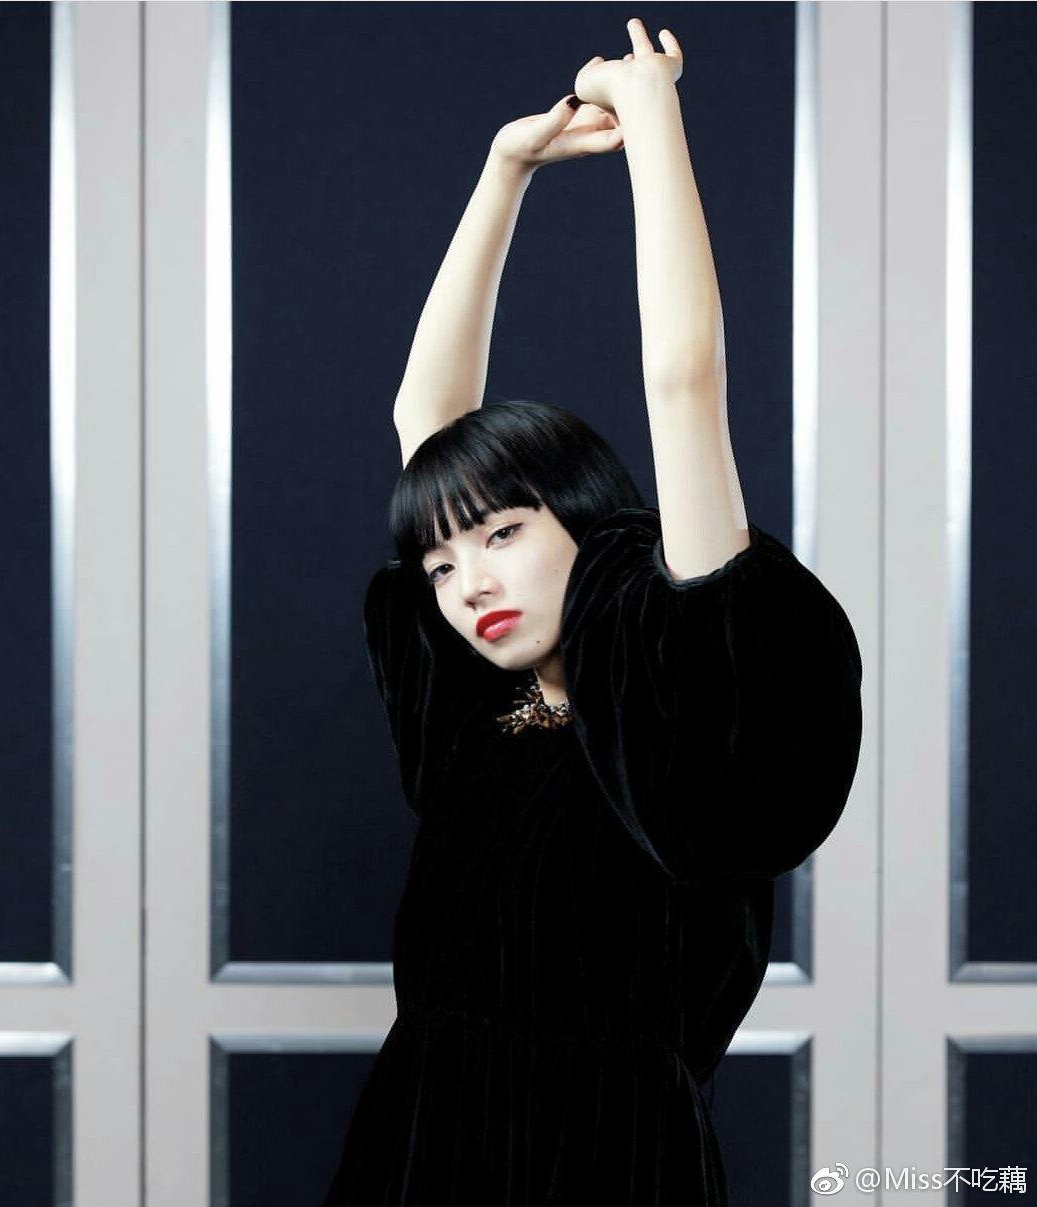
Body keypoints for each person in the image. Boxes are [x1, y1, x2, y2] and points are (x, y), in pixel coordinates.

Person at [323, 18, 862, 1206]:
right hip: (423, 1137)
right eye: (441, 563)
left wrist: (651, 111)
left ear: (587, 522)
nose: (469, 582)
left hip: (610, 1155)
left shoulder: (679, 695)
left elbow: (685, 378)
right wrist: (504, 169)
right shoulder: (471, 714)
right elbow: (425, 420)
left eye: (503, 534)